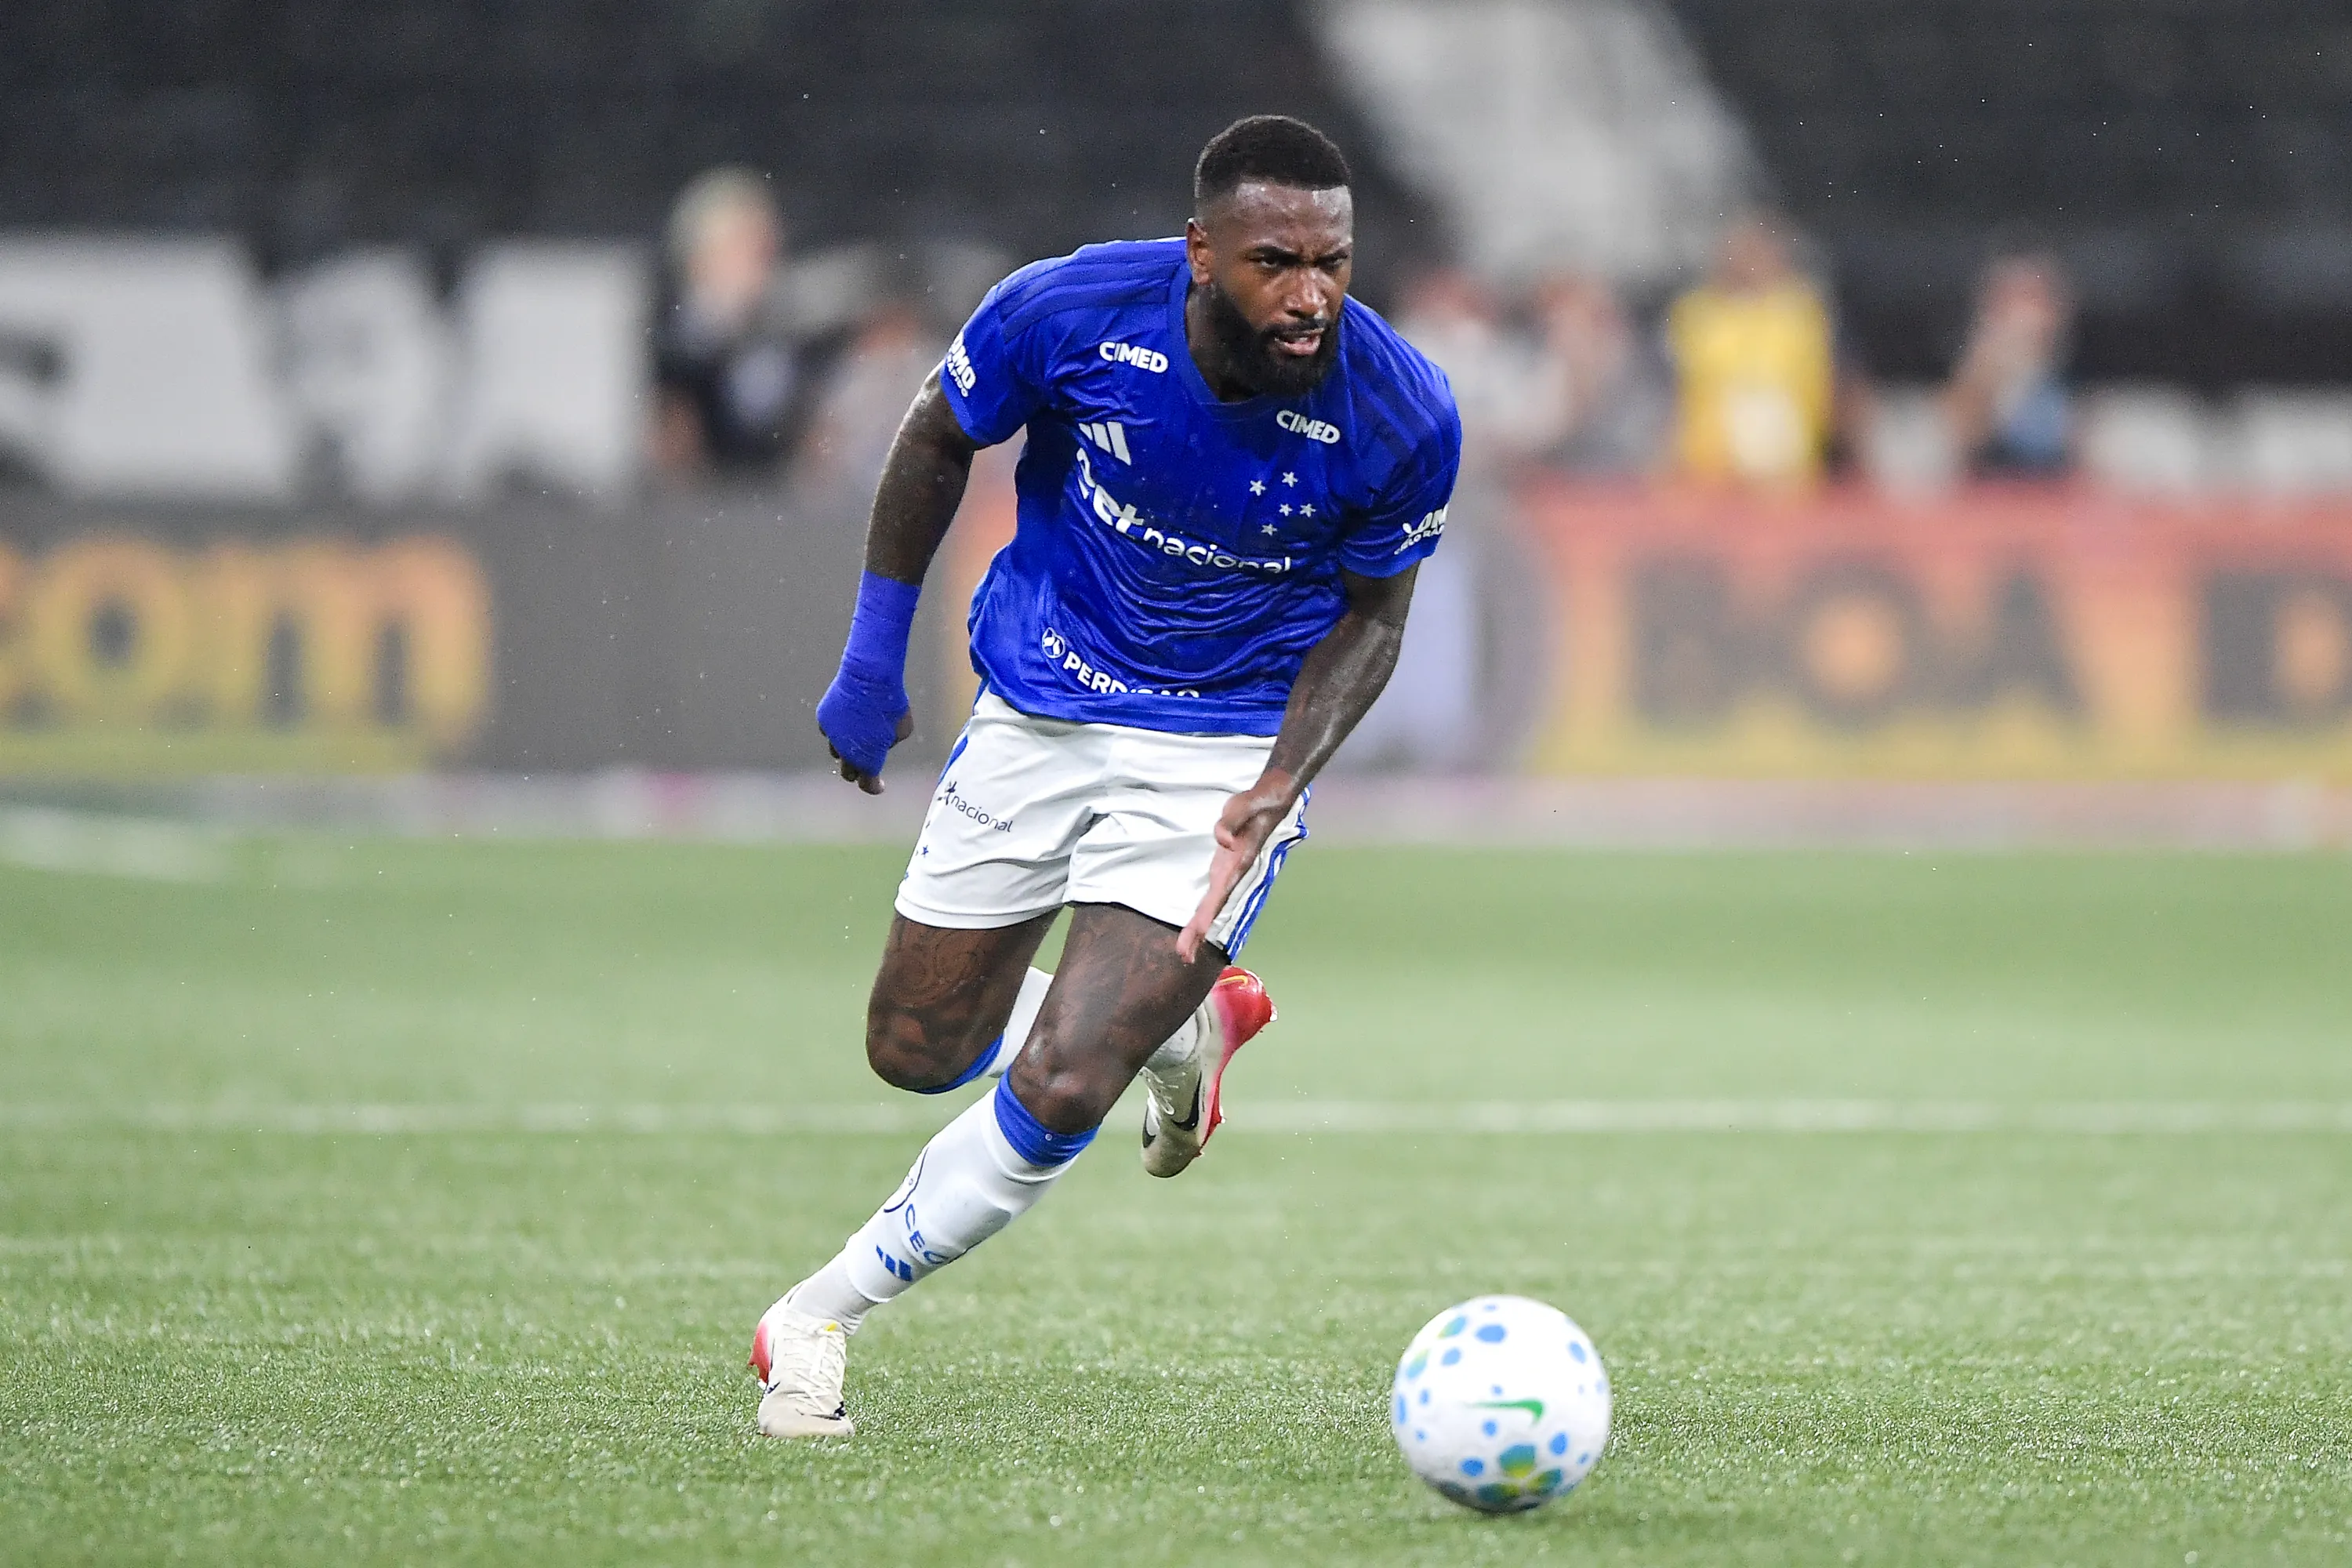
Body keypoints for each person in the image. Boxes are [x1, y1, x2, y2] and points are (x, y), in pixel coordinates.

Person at [749, 115, 1462, 1439]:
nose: (1310, 294)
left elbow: (1376, 616)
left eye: (1333, 261)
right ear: (1201, 253)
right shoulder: (1068, 312)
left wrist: (1280, 782)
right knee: (914, 1049)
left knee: (1068, 1078)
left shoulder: (1402, 412)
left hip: (1224, 750)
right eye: (1274, 261)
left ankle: (813, 1318)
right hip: (1040, 706)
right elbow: (932, 436)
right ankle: (1173, 1028)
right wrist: (870, 661)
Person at [649, 168, 845, 479]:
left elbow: (816, 438)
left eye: (765, 252)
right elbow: (671, 444)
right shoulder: (672, 343)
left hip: (779, 499)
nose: (761, 268)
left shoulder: (797, 334)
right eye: (743, 251)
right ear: (700, 261)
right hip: (706, 501)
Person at [1664, 213, 1837, 488]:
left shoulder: (1801, 311)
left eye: (1759, 252)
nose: (1750, 263)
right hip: (1708, 473)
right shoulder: (1695, 314)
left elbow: (1821, 386)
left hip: (1786, 475)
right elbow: (1673, 390)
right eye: (1742, 252)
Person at [1943, 252, 2074, 479]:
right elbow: (1955, 437)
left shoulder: (2069, 376)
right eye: (2014, 302)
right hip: (1991, 496)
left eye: (2037, 301)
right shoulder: (1981, 372)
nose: (2028, 318)